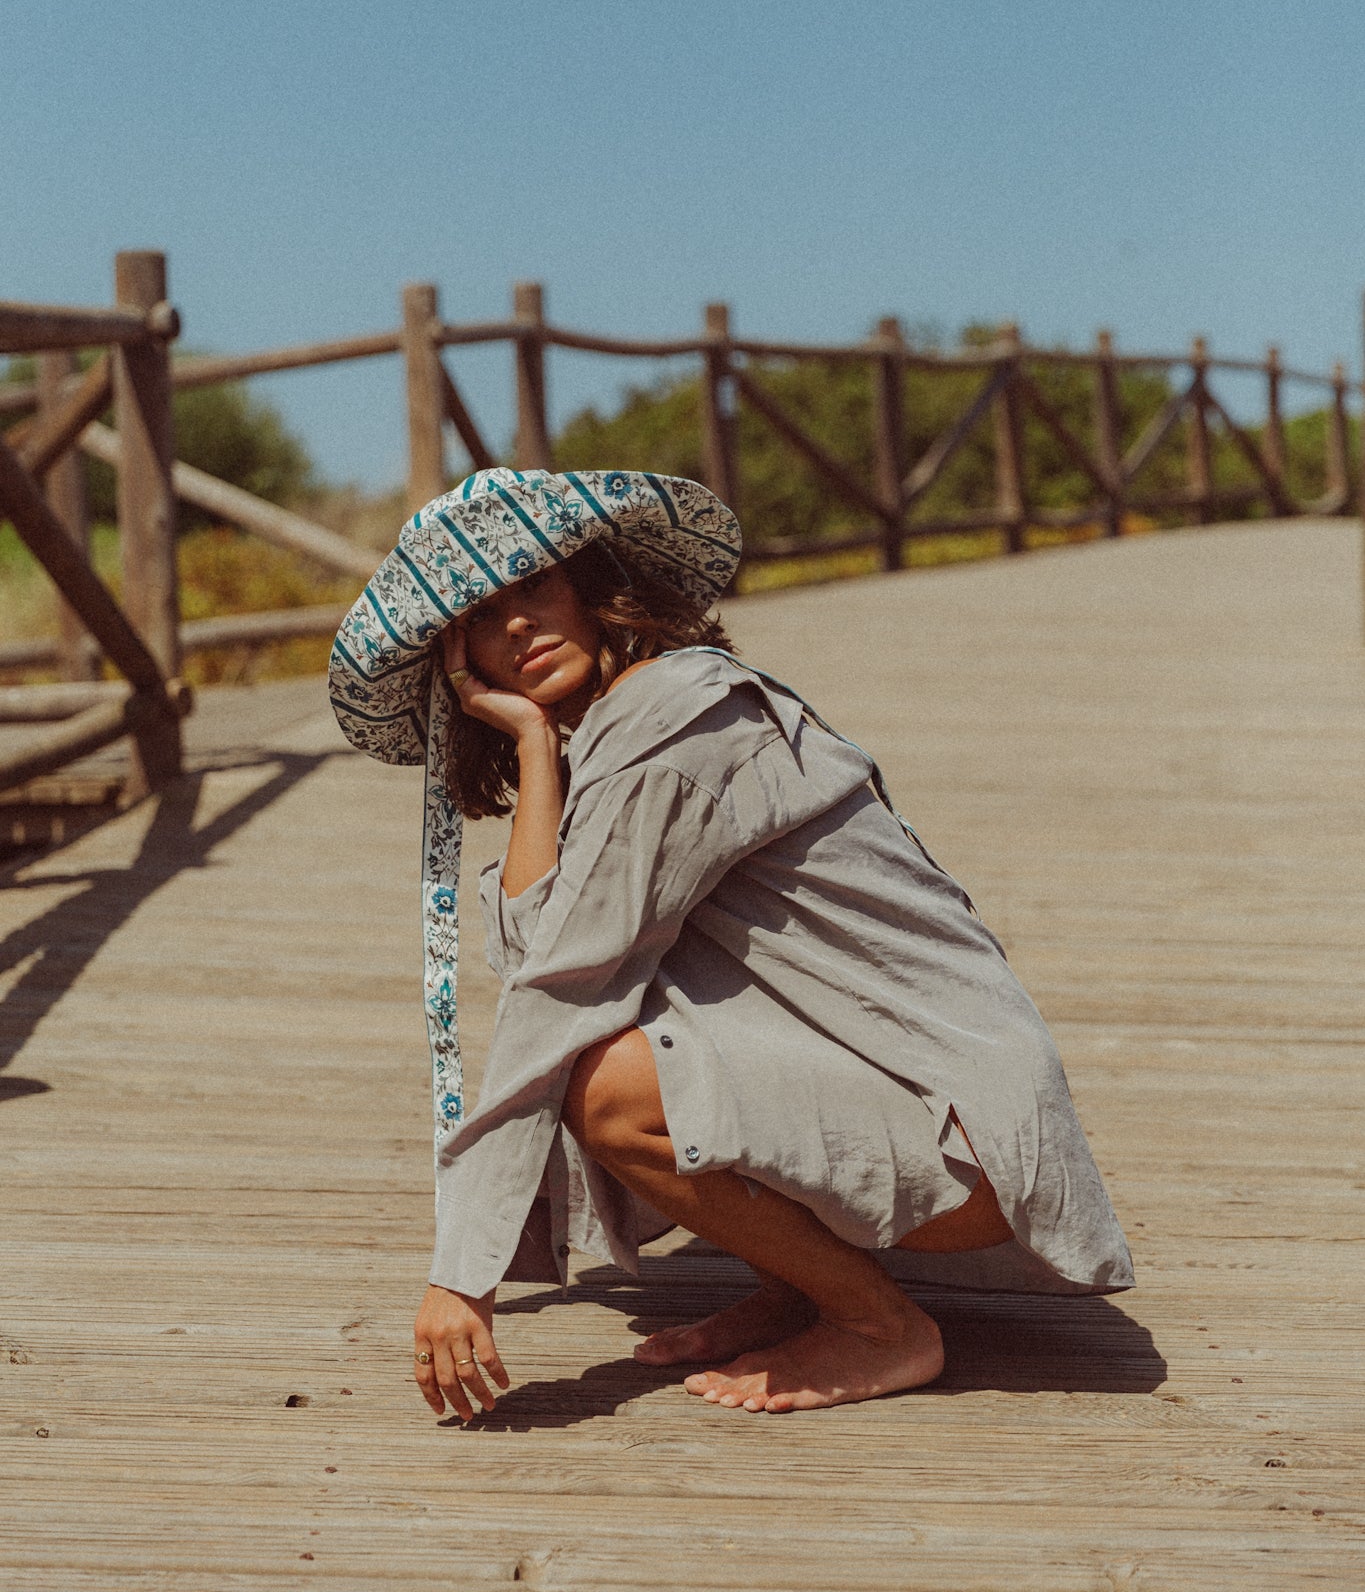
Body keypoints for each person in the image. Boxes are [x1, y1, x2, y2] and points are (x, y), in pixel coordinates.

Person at [328, 468, 1133, 1422]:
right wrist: (536, 749)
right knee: (615, 1026)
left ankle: (879, 1324)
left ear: (594, 588)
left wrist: (462, 1273)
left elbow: (556, 987)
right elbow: (537, 947)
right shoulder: (607, 735)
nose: (515, 630)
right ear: (460, 668)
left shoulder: (677, 728)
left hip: (962, 1133)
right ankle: (801, 1288)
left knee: (607, 1084)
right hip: (920, 1096)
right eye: (479, 623)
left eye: (532, 590)